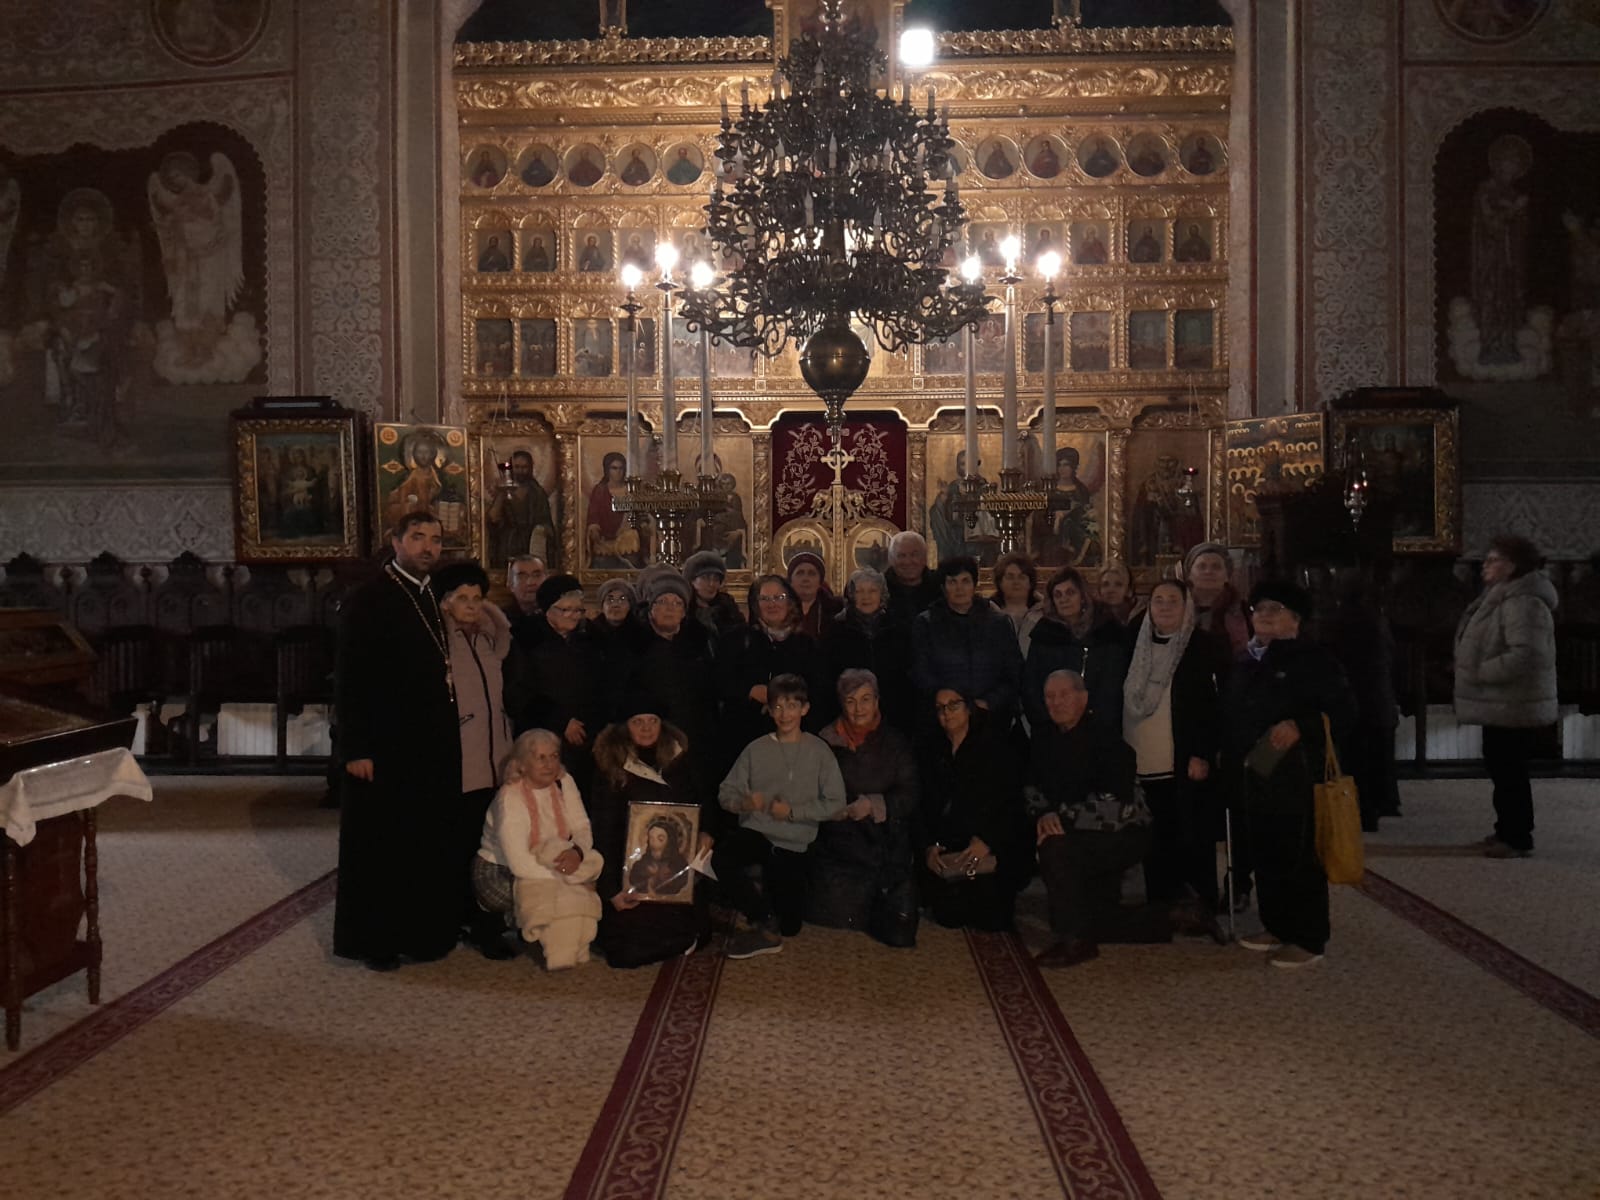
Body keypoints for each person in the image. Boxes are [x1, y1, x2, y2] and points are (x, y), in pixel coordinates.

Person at [333, 512, 463, 972]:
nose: (428, 547)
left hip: (427, 744)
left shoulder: (429, 593)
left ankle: (421, 934)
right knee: (381, 846)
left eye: (436, 540)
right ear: (396, 542)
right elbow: (350, 679)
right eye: (418, 537)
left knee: (421, 841)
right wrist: (356, 748)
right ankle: (377, 941)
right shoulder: (368, 598)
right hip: (383, 745)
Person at [1225, 581, 1356, 969]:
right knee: (1264, 850)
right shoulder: (1246, 659)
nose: (1264, 615)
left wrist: (1301, 726)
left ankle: (1308, 937)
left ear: (1296, 620)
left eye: (1275, 609)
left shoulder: (1315, 659)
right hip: (1256, 771)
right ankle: (1277, 926)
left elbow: (1346, 712)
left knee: (1297, 854)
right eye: (1259, 609)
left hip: (1297, 775)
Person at [1030, 670, 1173, 968]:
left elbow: (1116, 806)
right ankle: (1176, 915)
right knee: (1091, 918)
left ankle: (1076, 943)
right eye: (1049, 696)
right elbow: (1031, 785)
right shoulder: (1044, 737)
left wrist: (1060, 819)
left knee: (1054, 848)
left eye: (1064, 695)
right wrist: (1044, 813)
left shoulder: (1108, 741)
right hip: (1078, 832)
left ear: (1083, 698)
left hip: (1123, 834)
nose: (1056, 702)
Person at [715, 674, 848, 957]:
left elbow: (836, 803)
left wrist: (792, 813)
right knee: (722, 858)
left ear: (804, 709)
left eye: (791, 706)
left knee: (790, 927)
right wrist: (743, 803)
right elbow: (726, 792)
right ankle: (762, 916)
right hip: (757, 833)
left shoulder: (819, 751)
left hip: (794, 842)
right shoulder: (755, 749)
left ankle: (772, 912)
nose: (784, 714)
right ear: (769, 710)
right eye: (777, 707)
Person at [1123, 580, 1224, 940]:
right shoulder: (1134, 641)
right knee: (1155, 838)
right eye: (1158, 600)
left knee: (1190, 833)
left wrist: (1202, 752)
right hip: (1142, 754)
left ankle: (1200, 907)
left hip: (1183, 758)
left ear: (1187, 606)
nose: (1164, 607)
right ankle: (1161, 906)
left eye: (1172, 601)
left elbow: (1214, 707)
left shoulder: (1203, 645)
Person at [433, 561, 518, 960]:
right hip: (458, 761)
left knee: (491, 847)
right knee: (456, 844)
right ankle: (453, 917)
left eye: (477, 598)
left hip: (495, 759)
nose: (470, 605)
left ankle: (487, 925)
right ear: (445, 602)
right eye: (461, 598)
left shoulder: (489, 639)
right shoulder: (438, 643)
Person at [1453, 535, 1558, 858]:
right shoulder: (1501, 597)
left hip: (1512, 700)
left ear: (1511, 566)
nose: (1485, 565)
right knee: (1501, 767)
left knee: (1510, 770)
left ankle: (1517, 836)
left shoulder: (1523, 603)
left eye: (1493, 560)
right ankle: (1506, 828)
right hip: (1501, 701)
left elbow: (1527, 654)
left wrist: (1482, 672)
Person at [590, 699, 715, 967]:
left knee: (695, 930)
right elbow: (603, 829)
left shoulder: (679, 758)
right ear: (625, 727)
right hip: (628, 870)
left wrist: (705, 832)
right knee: (624, 953)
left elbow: (701, 803)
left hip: (677, 869)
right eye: (638, 722)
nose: (646, 728)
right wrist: (611, 889)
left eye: (652, 721)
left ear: (662, 724)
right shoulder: (610, 767)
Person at [474, 729, 603, 971]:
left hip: (553, 859)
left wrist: (577, 853)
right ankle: (498, 924)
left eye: (554, 756)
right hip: (501, 870)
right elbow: (519, 863)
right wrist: (570, 878)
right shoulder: (510, 796)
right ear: (522, 764)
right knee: (556, 893)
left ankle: (571, 940)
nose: (549, 764)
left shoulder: (565, 782)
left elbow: (582, 827)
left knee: (589, 874)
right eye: (540, 758)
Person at [809, 670, 920, 947]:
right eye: (851, 701)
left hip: (883, 842)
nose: (859, 709)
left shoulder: (896, 743)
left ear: (877, 701)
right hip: (838, 843)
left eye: (865, 699)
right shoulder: (825, 741)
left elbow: (910, 793)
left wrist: (873, 804)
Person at [916, 688, 1026, 932]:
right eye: (940, 708)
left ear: (968, 708)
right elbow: (922, 806)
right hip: (948, 845)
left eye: (953, 705)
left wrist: (987, 840)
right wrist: (929, 846)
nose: (947, 712)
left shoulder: (994, 747)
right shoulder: (931, 750)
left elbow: (1010, 803)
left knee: (991, 920)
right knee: (948, 916)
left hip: (987, 844)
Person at [624, 573, 721, 804]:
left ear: (684, 612)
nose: (670, 608)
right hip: (649, 738)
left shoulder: (698, 643)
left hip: (694, 738)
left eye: (677, 603)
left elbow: (709, 693)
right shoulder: (633, 644)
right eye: (663, 601)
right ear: (651, 609)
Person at [718, 574, 829, 766]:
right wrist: (749, 690)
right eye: (765, 598)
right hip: (744, 740)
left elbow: (818, 689)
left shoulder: (806, 644)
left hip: (792, 741)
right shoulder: (736, 640)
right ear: (755, 604)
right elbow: (719, 680)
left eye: (779, 597)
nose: (772, 604)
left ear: (789, 602)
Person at [1329, 570, 1402, 831]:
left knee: (1357, 759)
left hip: (1356, 697)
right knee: (1376, 755)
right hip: (1377, 696)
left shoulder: (1341, 621)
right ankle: (1384, 803)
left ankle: (1365, 812)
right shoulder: (1376, 618)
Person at [911, 557, 1023, 722]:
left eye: (965, 581)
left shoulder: (998, 624)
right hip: (944, 717)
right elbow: (921, 673)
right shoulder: (926, 624)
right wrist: (952, 704)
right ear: (943, 587)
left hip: (991, 717)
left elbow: (1013, 672)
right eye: (952, 582)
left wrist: (988, 702)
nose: (959, 588)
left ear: (974, 584)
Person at [519, 575, 604, 793]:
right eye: (566, 610)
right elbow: (519, 692)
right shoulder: (527, 640)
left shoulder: (590, 640)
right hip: (543, 738)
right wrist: (561, 721)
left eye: (578, 610)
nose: (574, 616)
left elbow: (600, 688)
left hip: (585, 740)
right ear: (547, 609)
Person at [1023, 566, 1129, 737]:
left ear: (1082, 596)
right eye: (1058, 595)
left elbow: (1111, 686)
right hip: (1051, 730)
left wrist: (1087, 722)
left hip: (1097, 730)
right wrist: (1050, 720)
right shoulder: (1044, 633)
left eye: (1070, 592)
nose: (1064, 599)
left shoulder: (1106, 631)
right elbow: (1032, 686)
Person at [827, 567, 915, 734]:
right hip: (850, 714)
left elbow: (907, 672)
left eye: (872, 591)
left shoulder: (898, 628)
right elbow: (830, 674)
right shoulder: (837, 629)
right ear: (852, 596)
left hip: (893, 714)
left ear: (882, 595)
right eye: (859, 591)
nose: (866, 597)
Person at [1182, 542, 1250, 661]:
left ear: (1227, 575)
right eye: (1201, 566)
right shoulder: (1176, 609)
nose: (1208, 571)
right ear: (1189, 574)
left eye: (1216, 567)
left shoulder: (1245, 611)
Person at [991, 552, 1045, 659]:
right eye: (1010, 577)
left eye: (1022, 577)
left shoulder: (1045, 613)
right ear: (1000, 582)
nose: (1016, 582)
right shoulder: (988, 612)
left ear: (1030, 582)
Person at [885, 530, 941, 624]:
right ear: (891, 559)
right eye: (901, 556)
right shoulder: (879, 589)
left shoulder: (940, 586)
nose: (908, 561)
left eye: (914, 555)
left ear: (925, 557)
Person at [684, 549, 743, 638]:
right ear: (692, 580)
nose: (711, 584)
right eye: (705, 578)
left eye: (716, 579)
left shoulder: (728, 608)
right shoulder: (684, 609)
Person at [787, 550, 842, 641]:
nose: (805, 579)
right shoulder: (778, 608)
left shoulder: (836, 611)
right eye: (800, 573)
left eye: (812, 573)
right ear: (791, 581)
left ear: (820, 582)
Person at [502, 554, 547, 651]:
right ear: (510, 584)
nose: (530, 582)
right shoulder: (499, 620)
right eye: (522, 576)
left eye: (537, 575)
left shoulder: (558, 617)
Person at [1098, 559, 1136, 626]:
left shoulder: (1137, 618)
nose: (1111, 590)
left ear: (1128, 590)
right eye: (1105, 584)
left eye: (1118, 584)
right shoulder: (1092, 619)